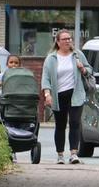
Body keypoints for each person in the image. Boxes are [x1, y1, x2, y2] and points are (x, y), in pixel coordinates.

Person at [39, 30, 94, 164]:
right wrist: (47, 94)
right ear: (58, 42)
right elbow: (45, 78)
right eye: (64, 39)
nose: (68, 41)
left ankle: (74, 154)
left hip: (75, 93)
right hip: (59, 96)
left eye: (69, 38)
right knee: (60, 125)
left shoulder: (77, 54)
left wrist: (83, 69)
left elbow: (89, 70)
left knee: (75, 123)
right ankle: (60, 155)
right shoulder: (51, 58)